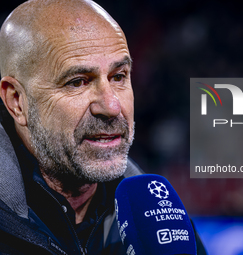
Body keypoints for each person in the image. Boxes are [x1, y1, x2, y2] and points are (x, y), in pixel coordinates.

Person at [0, 0, 206, 254]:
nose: (111, 106)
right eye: (77, 82)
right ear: (17, 101)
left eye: (118, 77)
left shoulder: (160, 218)